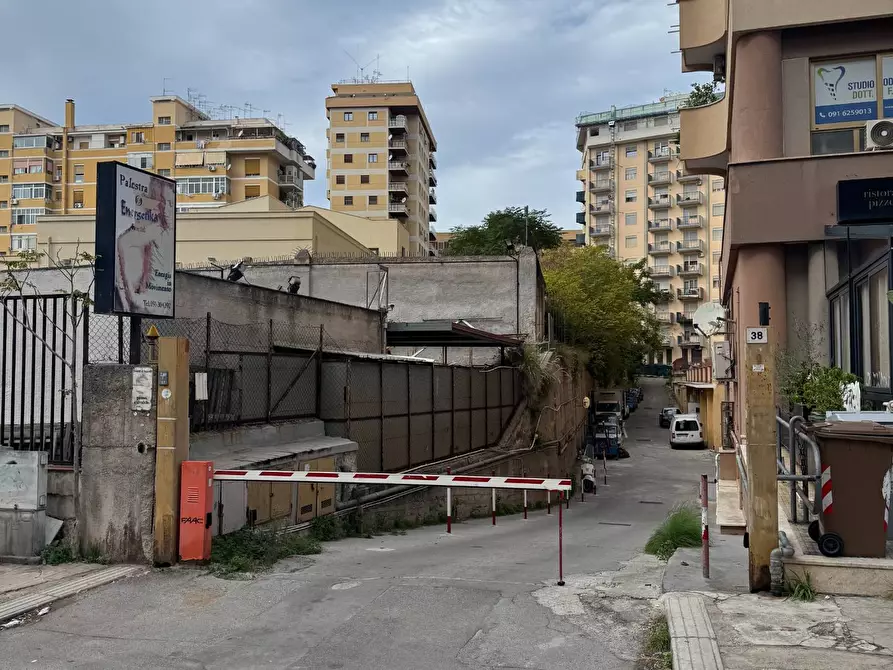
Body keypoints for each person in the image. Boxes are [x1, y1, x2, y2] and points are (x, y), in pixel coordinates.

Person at [114, 177, 172, 313]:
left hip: (153, 304)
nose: (160, 210)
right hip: (145, 304)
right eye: (163, 202)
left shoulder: (158, 233)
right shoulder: (131, 240)